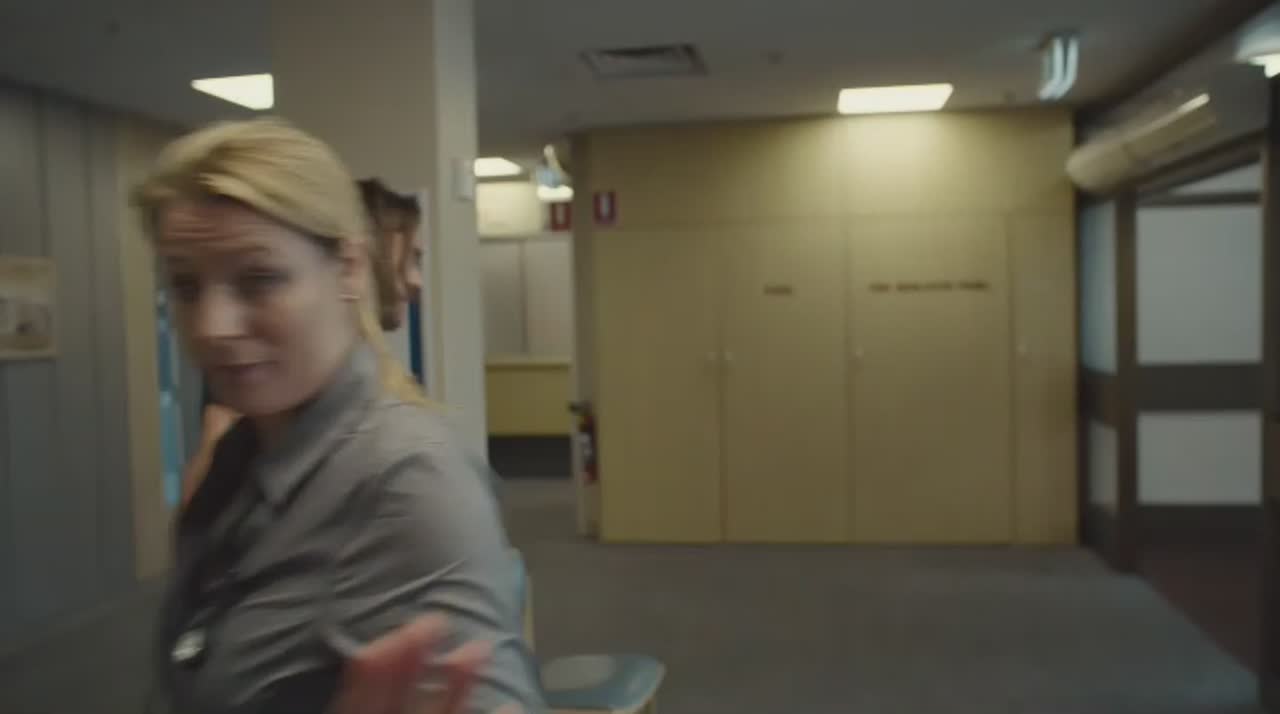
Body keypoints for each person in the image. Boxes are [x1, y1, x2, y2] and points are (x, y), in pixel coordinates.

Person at [135, 117, 544, 714]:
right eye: (187, 286)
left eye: (259, 280)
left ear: (349, 268)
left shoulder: (404, 480)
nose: (211, 327)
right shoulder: (241, 452)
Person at [180, 177, 424, 508]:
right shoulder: (280, 378)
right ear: (361, 258)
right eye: (410, 258)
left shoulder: (372, 387)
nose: (415, 280)